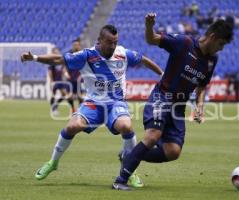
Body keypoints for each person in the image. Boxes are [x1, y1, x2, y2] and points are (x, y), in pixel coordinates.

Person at [20, 25, 164, 188]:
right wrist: (35, 58)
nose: (112, 46)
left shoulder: (122, 53)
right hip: (93, 103)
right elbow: (58, 59)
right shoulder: (86, 56)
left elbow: (143, 59)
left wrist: (162, 74)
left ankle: (129, 170)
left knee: (126, 126)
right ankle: (53, 162)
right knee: (72, 126)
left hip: (116, 103)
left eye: (115, 42)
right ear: (100, 41)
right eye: (109, 42)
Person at [112, 13, 233, 190]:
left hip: (178, 107)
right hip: (162, 97)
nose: (221, 49)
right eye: (221, 44)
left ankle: (130, 155)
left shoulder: (212, 60)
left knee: (173, 151)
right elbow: (152, 39)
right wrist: (149, 25)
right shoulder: (184, 43)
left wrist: (199, 107)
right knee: (153, 135)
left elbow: (201, 86)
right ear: (213, 37)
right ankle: (120, 180)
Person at [48, 47, 71, 116]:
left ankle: (55, 107)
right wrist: (51, 81)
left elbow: (64, 69)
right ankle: (53, 109)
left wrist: (66, 74)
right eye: (55, 52)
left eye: (57, 52)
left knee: (64, 95)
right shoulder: (51, 61)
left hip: (60, 81)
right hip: (55, 81)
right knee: (53, 95)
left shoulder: (61, 61)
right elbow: (50, 71)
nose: (56, 53)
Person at [65, 39, 84, 113]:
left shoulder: (83, 54)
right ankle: (73, 108)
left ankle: (80, 110)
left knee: (81, 96)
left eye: (77, 45)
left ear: (79, 46)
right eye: (74, 45)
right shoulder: (68, 55)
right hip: (71, 78)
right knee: (69, 96)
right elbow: (65, 66)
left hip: (80, 79)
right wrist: (65, 72)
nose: (75, 46)